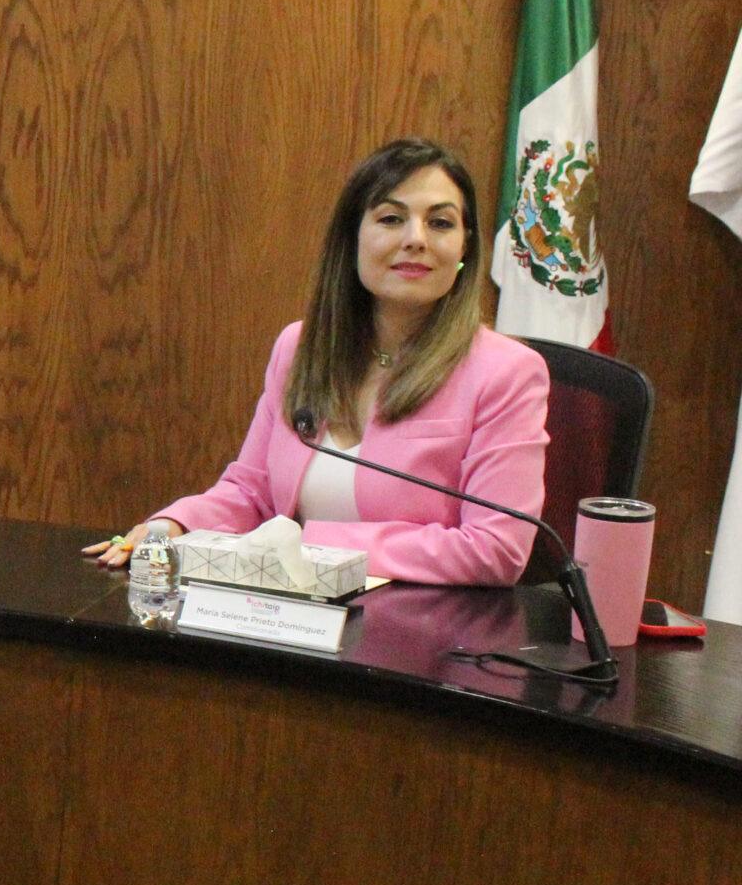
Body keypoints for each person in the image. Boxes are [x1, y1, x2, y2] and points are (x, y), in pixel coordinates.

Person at [84, 138, 548, 586]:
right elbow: (253, 492)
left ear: (465, 247)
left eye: (441, 223)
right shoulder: (299, 347)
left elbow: (497, 548)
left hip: (420, 625)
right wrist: (173, 526)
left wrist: (306, 541)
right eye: (391, 218)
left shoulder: (505, 372)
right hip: (290, 615)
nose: (416, 239)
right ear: (351, 238)